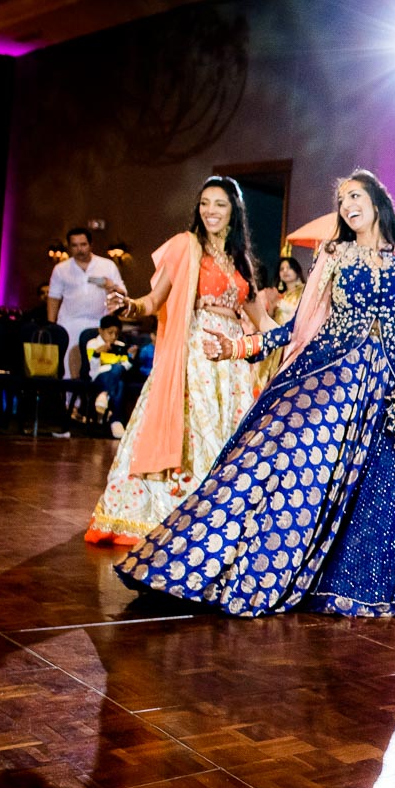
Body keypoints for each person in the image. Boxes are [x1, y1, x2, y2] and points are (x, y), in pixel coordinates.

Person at [115, 169, 395, 617]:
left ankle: (370, 582)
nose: (347, 205)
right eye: (341, 200)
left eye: (355, 196)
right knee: (287, 472)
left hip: (388, 393)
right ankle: (218, 564)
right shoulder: (334, 255)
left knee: (386, 485)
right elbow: (298, 327)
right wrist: (241, 345)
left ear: (378, 201)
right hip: (332, 381)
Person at [86, 176, 266, 546]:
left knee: (230, 437)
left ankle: (223, 517)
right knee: (196, 435)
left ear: (234, 210)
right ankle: (182, 514)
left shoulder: (241, 260)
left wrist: (308, 334)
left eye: (219, 204)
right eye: (204, 203)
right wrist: (129, 305)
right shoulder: (185, 246)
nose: (210, 211)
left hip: (232, 364)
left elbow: (263, 321)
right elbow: (152, 302)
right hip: (195, 356)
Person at [48, 227, 123, 378]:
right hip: (69, 324)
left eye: (83, 244)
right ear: (69, 247)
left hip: (98, 324)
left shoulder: (107, 265)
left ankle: (95, 400)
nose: (79, 249)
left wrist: (111, 286)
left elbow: (123, 295)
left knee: (97, 366)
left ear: (91, 245)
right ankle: (70, 402)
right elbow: (53, 297)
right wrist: (52, 326)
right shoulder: (61, 269)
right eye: (75, 245)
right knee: (69, 369)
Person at [253, 255, 305, 389]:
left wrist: (281, 305)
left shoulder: (304, 292)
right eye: (282, 269)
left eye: (289, 268)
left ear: (297, 271)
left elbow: (301, 314)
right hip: (276, 341)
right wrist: (272, 304)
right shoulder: (279, 295)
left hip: (292, 341)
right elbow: (269, 318)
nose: (285, 271)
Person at [87, 313, 132, 438]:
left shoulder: (120, 346)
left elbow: (125, 366)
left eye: (116, 334)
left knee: (119, 376)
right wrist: (97, 354)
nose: (113, 337)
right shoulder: (93, 344)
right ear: (101, 330)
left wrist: (131, 358)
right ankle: (116, 420)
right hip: (99, 376)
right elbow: (93, 368)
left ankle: (104, 395)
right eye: (110, 332)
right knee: (118, 379)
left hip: (116, 375)